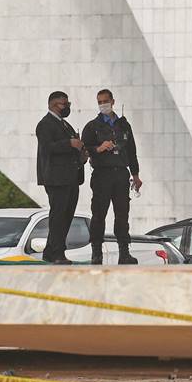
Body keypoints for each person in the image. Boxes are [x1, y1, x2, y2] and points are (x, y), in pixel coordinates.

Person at [81, 89, 141, 265]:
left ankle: (124, 252)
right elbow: (84, 149)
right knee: (99, 214)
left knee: (122, 214)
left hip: (121, 173)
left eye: (105, 101)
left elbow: (132, 151)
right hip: (102, 174)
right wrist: (98, 148)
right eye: (99, 102)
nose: (103, 105)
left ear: (113, 101)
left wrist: (136, 175)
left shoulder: (123, 125)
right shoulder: (92, 126)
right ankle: (96, 253)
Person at [36, 91, 86, 265]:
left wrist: (80, 152)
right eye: (63, 104)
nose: (67, 107)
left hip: (71, 177)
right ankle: (56, 253)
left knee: (66, 215)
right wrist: (69, 144)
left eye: (68, 104)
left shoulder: (65, 125)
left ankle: (52, 250)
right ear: (52, 105)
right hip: (56, 178)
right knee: (58, 215)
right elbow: (47, 147)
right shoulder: (45, 124)